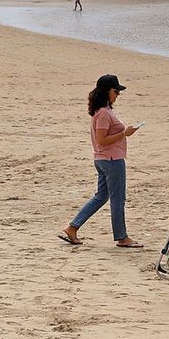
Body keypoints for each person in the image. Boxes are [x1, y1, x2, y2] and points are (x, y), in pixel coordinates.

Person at [62, 74, 142, 248]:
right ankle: (122, 237)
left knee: (101, 197)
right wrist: (124, 133)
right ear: (107, 92)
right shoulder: (104, 113)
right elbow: (102, 139)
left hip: (103, 159)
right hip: (111, 160)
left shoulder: (102, 110)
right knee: (117, 199)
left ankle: (72, 227)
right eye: (115, 91)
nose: (117, 95)